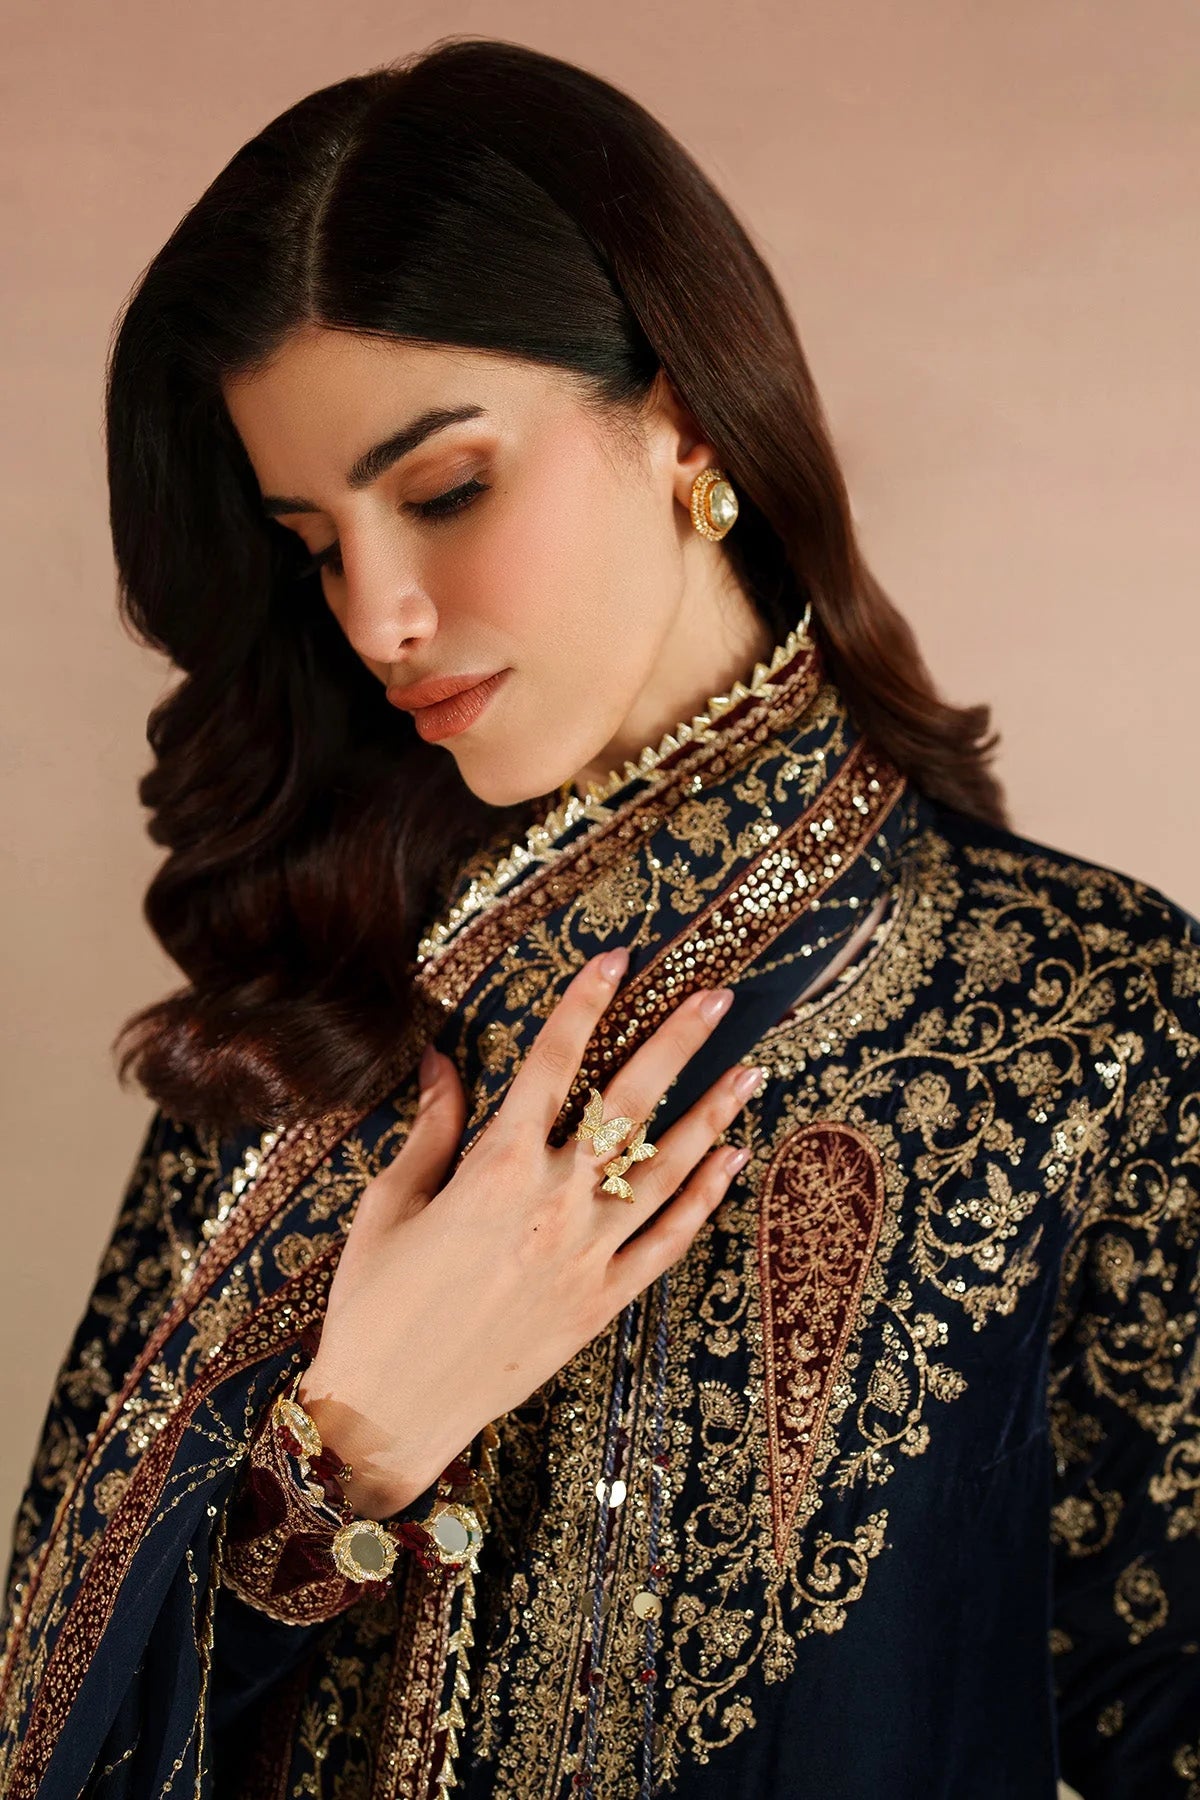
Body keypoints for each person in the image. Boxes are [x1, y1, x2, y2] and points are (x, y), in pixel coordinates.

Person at [1, 34, 1197, 1800]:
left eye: (445, 490)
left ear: (684, 414)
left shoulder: (1090, 1020)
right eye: (312, 540)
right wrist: (350, 1453)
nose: (380, 616)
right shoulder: (314, 1024)